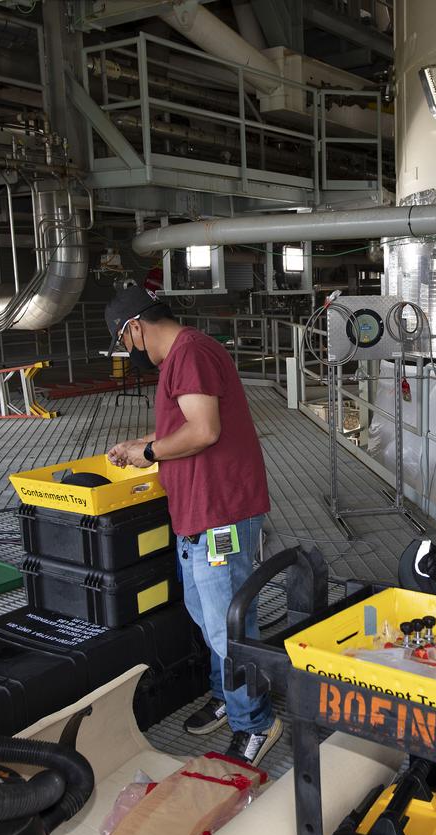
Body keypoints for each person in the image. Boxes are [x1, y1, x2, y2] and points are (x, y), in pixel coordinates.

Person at [103, 287, 281, 766]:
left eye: (124, 341)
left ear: (134, 328)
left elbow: (204, 430)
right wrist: (142, 445)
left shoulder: (190, 353)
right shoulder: (181, 358)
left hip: (220, 514)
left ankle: (256, 722)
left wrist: (149, 451)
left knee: (229, 624)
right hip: (198, 512)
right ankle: (229, 695)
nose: (128, 351)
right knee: (208, 615)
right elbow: (185, 425)